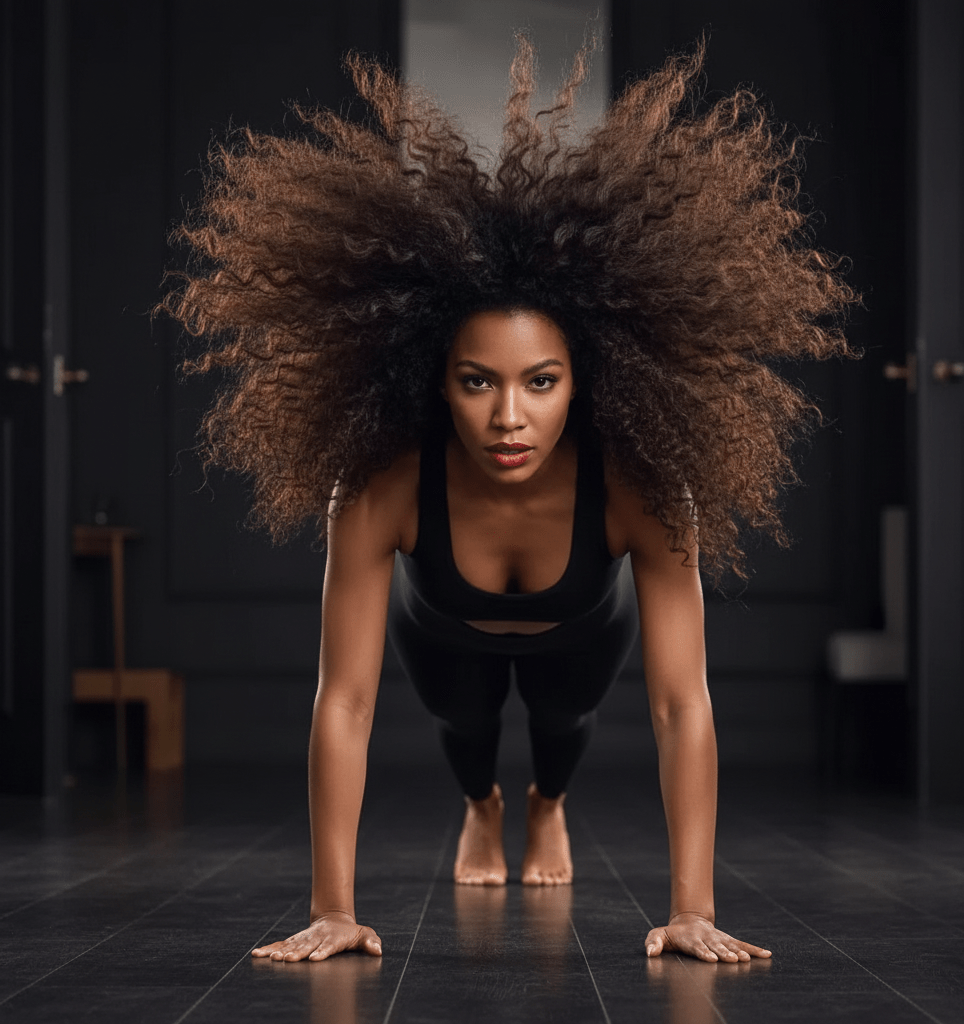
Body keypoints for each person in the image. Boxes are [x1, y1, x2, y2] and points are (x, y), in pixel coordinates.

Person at [161, 37, 854, 964]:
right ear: (433, 383)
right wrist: (333, 907)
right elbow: (347, 702)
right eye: (479, 382)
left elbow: (682, 703)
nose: (510, 417)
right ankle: (484, 808)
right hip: (442, 627)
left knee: (563, 724)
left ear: (586, 381)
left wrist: (693, 908)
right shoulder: (382, 484)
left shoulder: (645, 489)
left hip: (579, 628)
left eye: (542, 381)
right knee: (467, 727)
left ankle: (547, 806)